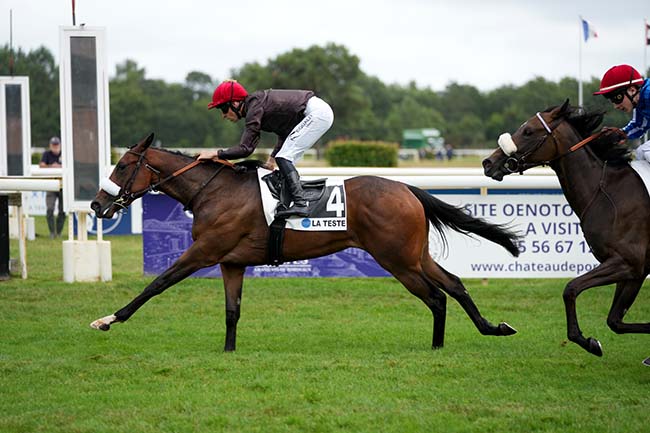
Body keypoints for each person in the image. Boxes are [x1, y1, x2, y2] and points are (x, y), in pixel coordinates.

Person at [197, 79, 334, 218]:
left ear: (235, 103)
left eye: (223, 109)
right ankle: (290, 203)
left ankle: (301, 203)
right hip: (316, 112)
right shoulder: (256, 105)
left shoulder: (254, 108)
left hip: (317, 114)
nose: (223, 115)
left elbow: (245, 149)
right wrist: (271, 159)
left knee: (284, 158)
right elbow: (285, 132)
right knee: (283, 159)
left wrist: (216, 153)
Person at [593, 64, 650, 161]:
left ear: (632, 90)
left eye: (617, 98)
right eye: (612, 101)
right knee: (639, 155)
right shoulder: (641, 101)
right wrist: (621, 133)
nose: (616, 106)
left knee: (644, 153)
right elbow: (639, 125)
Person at [39, 136, 65, 238]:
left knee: (62, 210)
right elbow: (41, 165)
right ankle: (52, 232)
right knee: (50, 209)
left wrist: (59, 167)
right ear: (50, 146)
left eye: (57, 145)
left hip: (63, 186)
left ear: (60, 145)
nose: (55, 147)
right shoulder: (46, 154)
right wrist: (52, 166)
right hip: (50, 184)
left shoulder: (64, 154)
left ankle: (58, 232)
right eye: (53, 145)